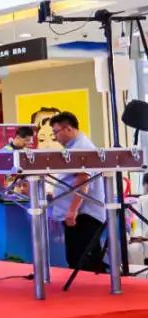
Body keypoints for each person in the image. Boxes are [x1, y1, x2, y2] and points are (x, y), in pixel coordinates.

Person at [47, 112, 107, 272]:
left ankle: (89, 287)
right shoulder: (73, 147)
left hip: (83, 214)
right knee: (76, 258)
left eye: (56, 132)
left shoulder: (81, 148)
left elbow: (83, 181)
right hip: (78, 214)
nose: (55, 137)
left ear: (68, 128)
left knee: (84, 260)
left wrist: (73, 210)